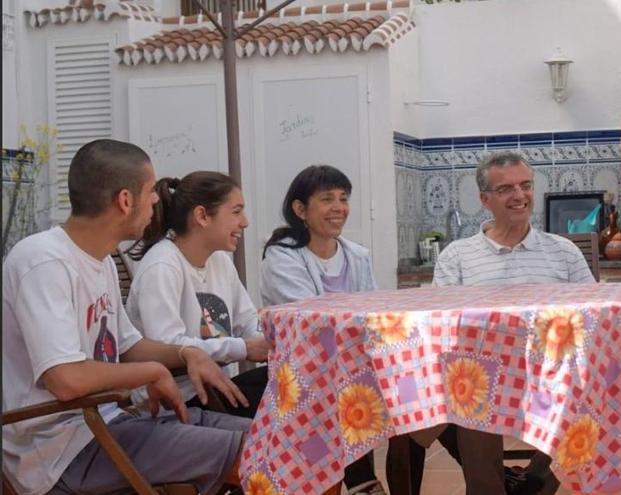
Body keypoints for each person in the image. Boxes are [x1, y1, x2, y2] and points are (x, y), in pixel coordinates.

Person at [2, 139, 251, 495]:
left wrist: (186, 354)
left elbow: (129, 345)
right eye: (150, 191)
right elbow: (65, 378)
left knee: (278, 438)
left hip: (110, 425)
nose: (156, 201)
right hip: (63, 451)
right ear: (124, 200)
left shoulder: (100, 260)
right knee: (272, 456)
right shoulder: (43, 262)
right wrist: (152, 371)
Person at [431, 151, 596, 495]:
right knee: (469, 387)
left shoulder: (563, 252)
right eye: (506, 189)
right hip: (484, 370)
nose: (519, 196)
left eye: (525, 186)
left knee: (594, 387)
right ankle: (487, 490)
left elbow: (592, 314)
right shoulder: (458, 257)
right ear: (485, 199)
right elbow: (442, 325)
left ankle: (535, 482)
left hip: (551, 369)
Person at [260, 164, 385, 495]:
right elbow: (311, 322)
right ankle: (362, 483)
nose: (339, 208)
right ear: (300, 209)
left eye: (343, 199)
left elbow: (372, 316)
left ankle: (364, 483)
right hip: (298, 371)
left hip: (350, 365)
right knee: (350, 388)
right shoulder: (282, 256)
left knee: (407, 382)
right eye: (327, 199)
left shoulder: (357, 256)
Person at [125, 171, 270, 418]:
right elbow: (167, 346)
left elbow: (247, 321)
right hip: (177, 402)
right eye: (236, 212)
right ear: (202, 216)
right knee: (292, 406)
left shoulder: (220, 261)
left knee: (299, 382)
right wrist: (242, 348)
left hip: (215, 389)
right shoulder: (162, 266)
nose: (245, 222)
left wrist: (263, 340)